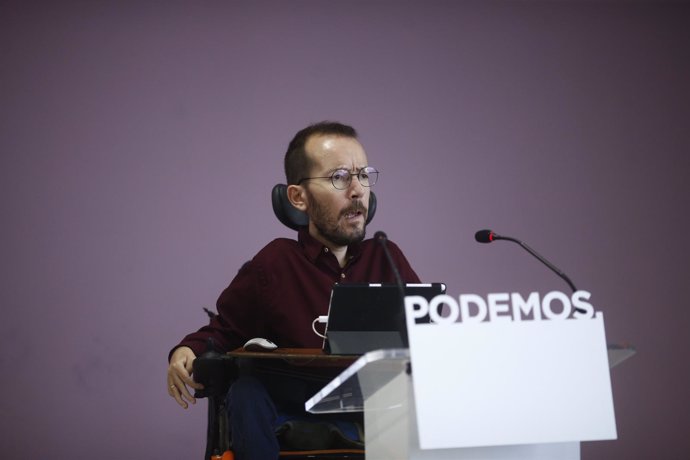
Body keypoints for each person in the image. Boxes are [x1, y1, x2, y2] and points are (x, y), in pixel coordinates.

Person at [167, 121, 420, 460]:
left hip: (370, 408)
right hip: (293, 403)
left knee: (410, 388)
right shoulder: (275, 263)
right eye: (340, 177)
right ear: (298, 197)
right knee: (245, 391)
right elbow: (225, 331)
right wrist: (187, 349)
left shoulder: (386, 257)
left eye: (363, 175)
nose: (358, 190)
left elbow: (427, 336)